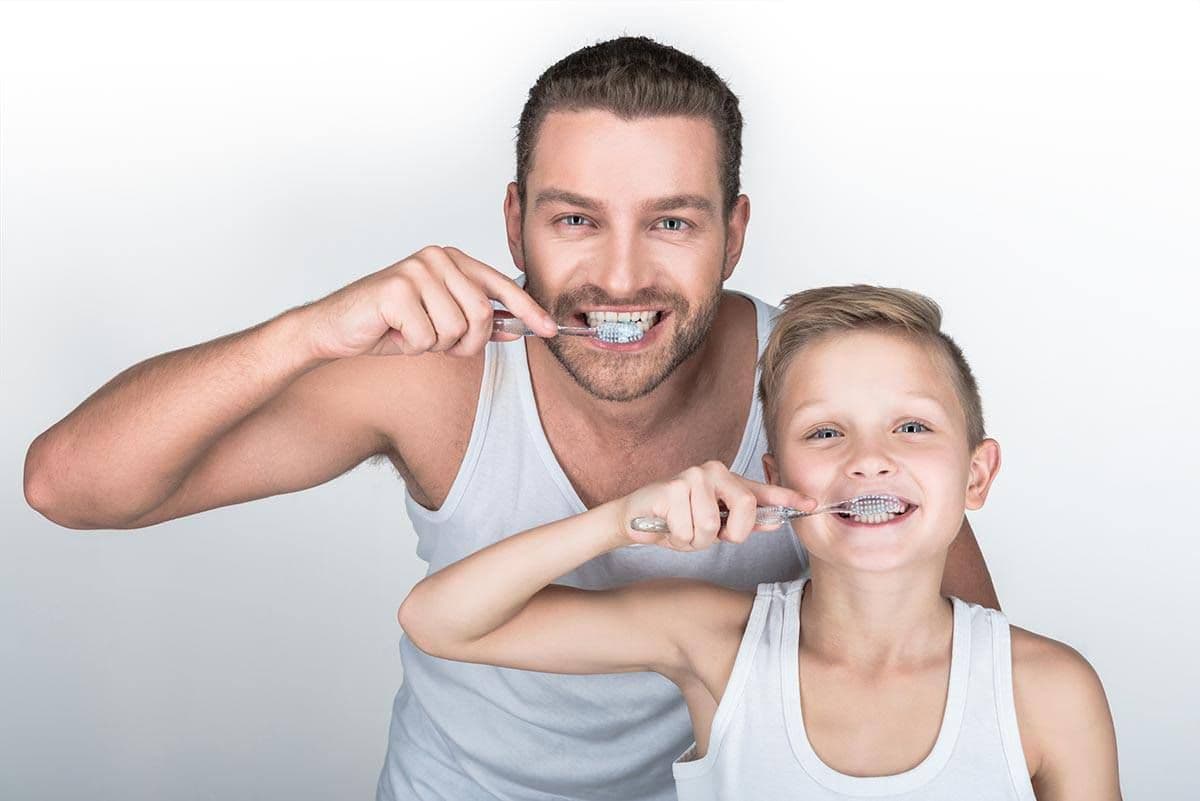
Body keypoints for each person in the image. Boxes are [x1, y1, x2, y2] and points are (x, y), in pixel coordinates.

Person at [22, 37, 999, 800]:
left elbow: (970, 677)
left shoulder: (824, 389)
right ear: (513, 222)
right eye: (576, 220)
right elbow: (67, 487)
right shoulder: (431, 377)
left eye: (671, 222)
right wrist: (306, 333)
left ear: (733, 234)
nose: (621, 275)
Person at [399, 285, 1122, 800]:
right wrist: (618, 520)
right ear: (776, 477)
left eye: (911, 426)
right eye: (825, 432)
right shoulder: (716, 642)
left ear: (976, 475)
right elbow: (439, 621)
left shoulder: (1050, 691)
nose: (868, 459)